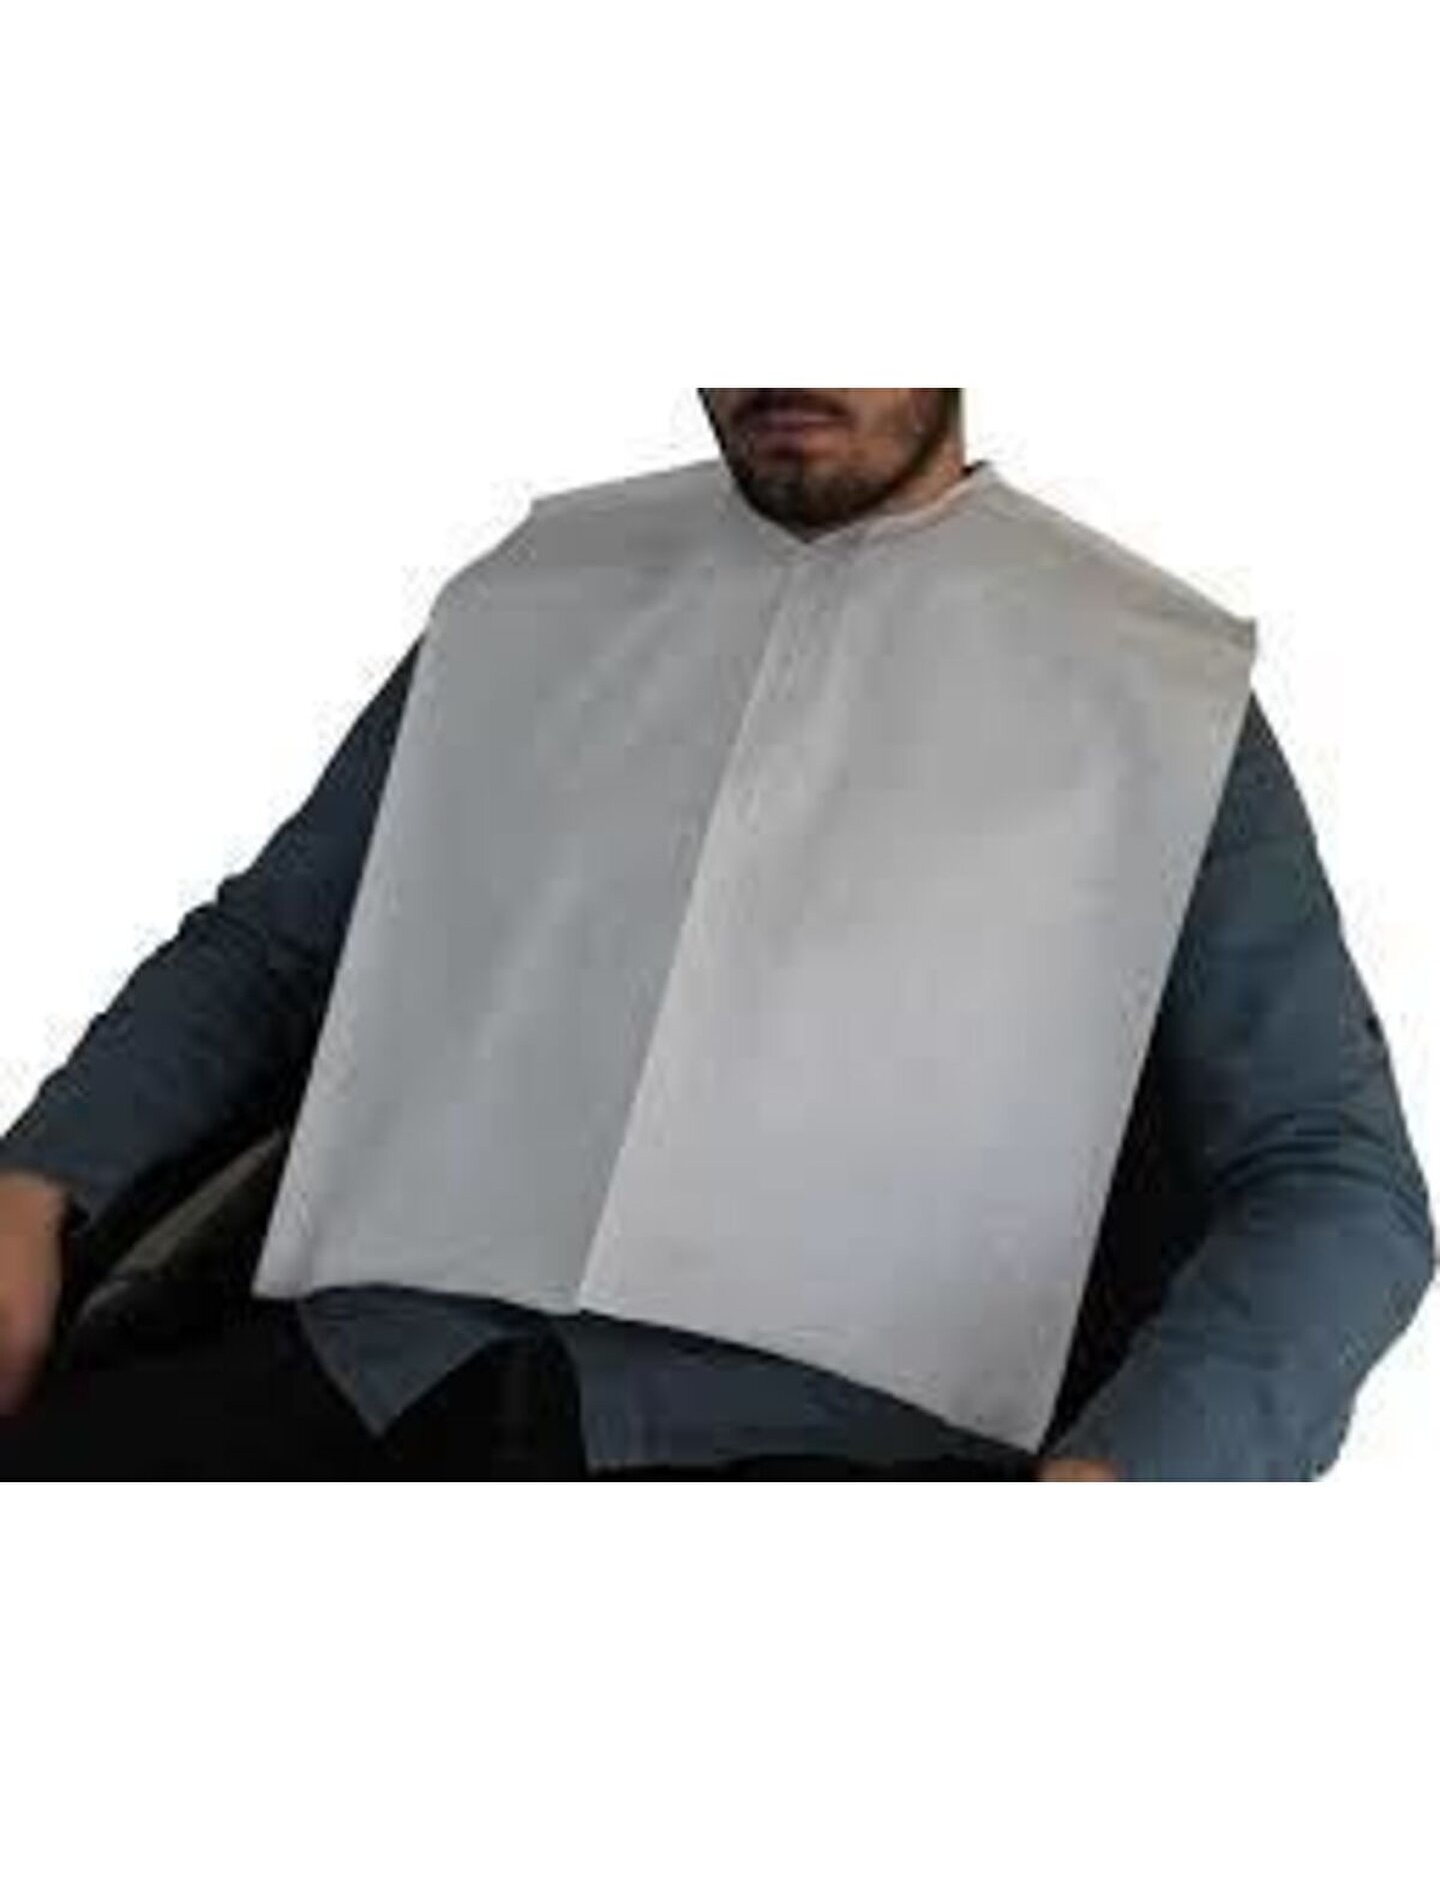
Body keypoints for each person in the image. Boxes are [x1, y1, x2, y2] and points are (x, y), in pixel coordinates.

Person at [0, 391, 1432, 1479]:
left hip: (814, 1444)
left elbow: (1335, 1185)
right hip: (362, 1370)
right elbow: (266, 956)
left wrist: (1120, 1487)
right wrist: (29, 1188)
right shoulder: (527, 602)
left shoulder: (1148, 690)